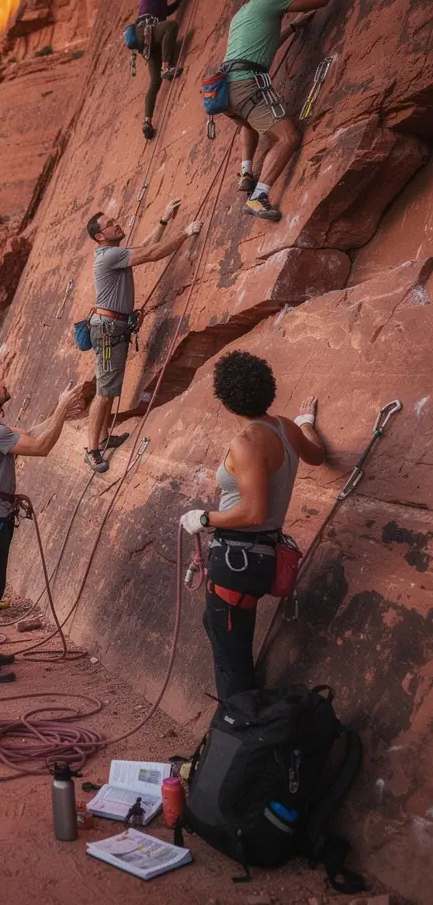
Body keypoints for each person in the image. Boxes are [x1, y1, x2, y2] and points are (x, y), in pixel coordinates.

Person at [180, 351, 326, 699]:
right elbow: (317, 456)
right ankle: (239, 733)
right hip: (261, 555)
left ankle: (240, 736)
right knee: (220, 631)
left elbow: (253, 512)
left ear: (226, 401)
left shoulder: (245, 444)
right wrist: (306, 424)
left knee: (232, 660)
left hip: (237, 559)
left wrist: (204, 518)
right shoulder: (285, 427)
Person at [0, 367, 85, 683]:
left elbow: (29, 433)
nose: (4, 384)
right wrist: (61, 408)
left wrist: (60, 416)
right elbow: (40, 447)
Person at [82, 200, 201, 472]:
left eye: (114, 220)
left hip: (113, 329)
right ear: (100, 237)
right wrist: (185, 232)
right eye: (110, 224)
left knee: (110, 386)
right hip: (108, 334)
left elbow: (144, 247)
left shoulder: (113, 252)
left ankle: (101, 438)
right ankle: (92, 451)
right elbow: (152, 254)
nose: (117, 224)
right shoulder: (107, 255)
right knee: (104, 390)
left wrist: (163, 219)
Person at [222, 0, 342, 221]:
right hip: (247, 84)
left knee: (249, 121)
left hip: (225, 91)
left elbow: (264, 45)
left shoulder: (243, 12)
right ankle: (258, 197)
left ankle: (246, 171)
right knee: (288, 137)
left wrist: (293, 26)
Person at [136, 0, 202, 140]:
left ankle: (147, 121)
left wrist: (179, 0)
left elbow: (164, 11)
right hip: (148, 31)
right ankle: (166, 66)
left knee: (155, 81)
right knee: (171, 26)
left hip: (147, 38)